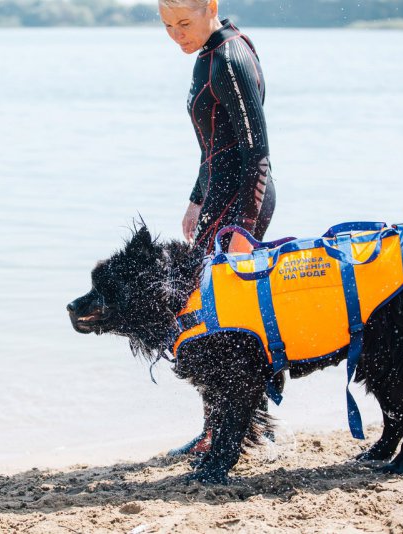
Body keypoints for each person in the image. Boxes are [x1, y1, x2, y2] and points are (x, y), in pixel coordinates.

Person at [159, 0, 278, 455]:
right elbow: (214, 144)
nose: (177, 34)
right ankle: (238, 426)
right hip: (218, 200)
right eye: (167, 26)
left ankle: (230, 430)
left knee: (217, 323)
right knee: (215, 320)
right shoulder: (206, 54)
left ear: (211, 7)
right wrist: (195, 199)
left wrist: (243, 229)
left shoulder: (229, 57)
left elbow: (257, 152)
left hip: (241, 201)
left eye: (184, 22)